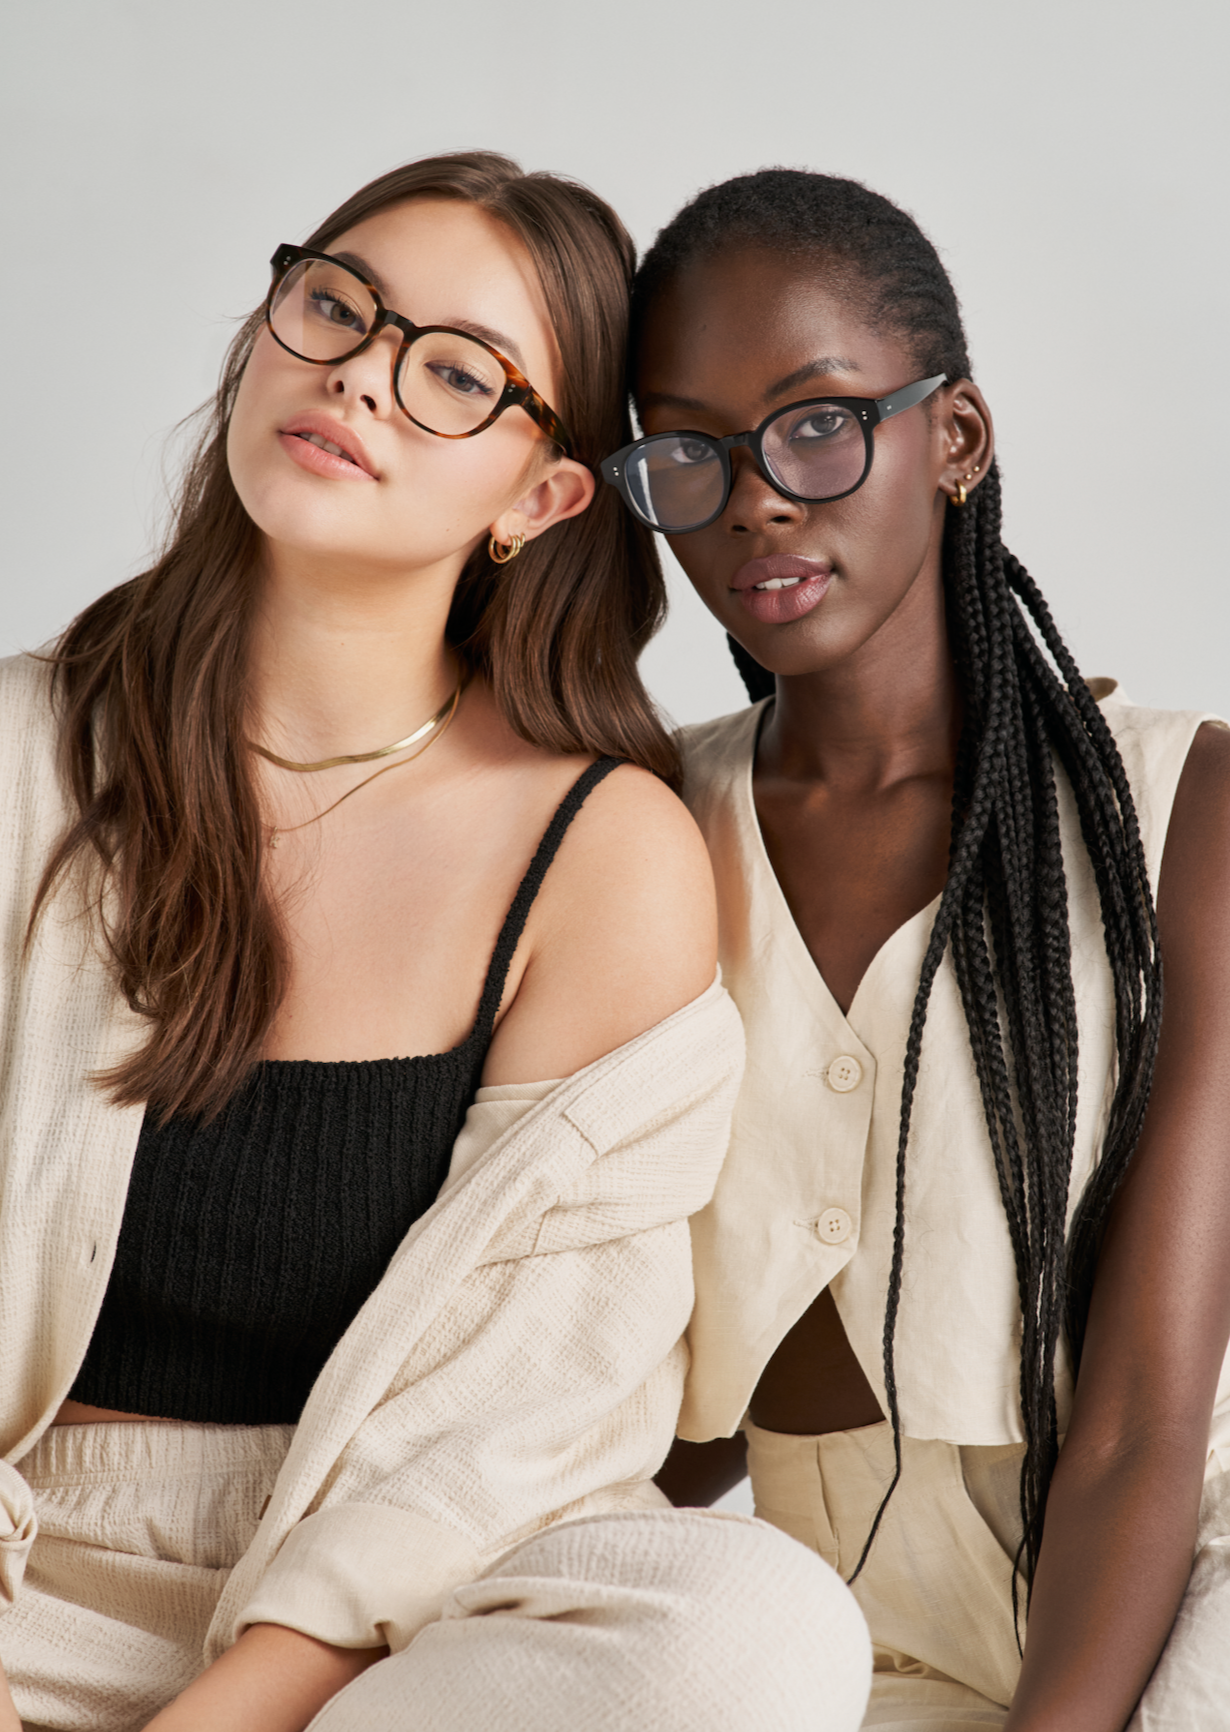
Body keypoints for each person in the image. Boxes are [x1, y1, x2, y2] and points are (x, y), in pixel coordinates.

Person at [0, 153, 870, 1732]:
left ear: (540, 498)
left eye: (458, 372)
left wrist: (244, 1704)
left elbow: (518, 1413)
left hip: (375, 1639)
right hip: (19, 1583)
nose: (359, 378)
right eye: (334, 306)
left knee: (745, 1628)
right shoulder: (24, 755)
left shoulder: (595, 856)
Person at [607, 169, 1230, 1730]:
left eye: (818, 422)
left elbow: (1147, 1418)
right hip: (833, 1628)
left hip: (1167, 1599)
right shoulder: (642, 832)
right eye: (687, 449)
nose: (752, 497)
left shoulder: (1182, 806)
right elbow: (653, 1420)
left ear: (952, 439)